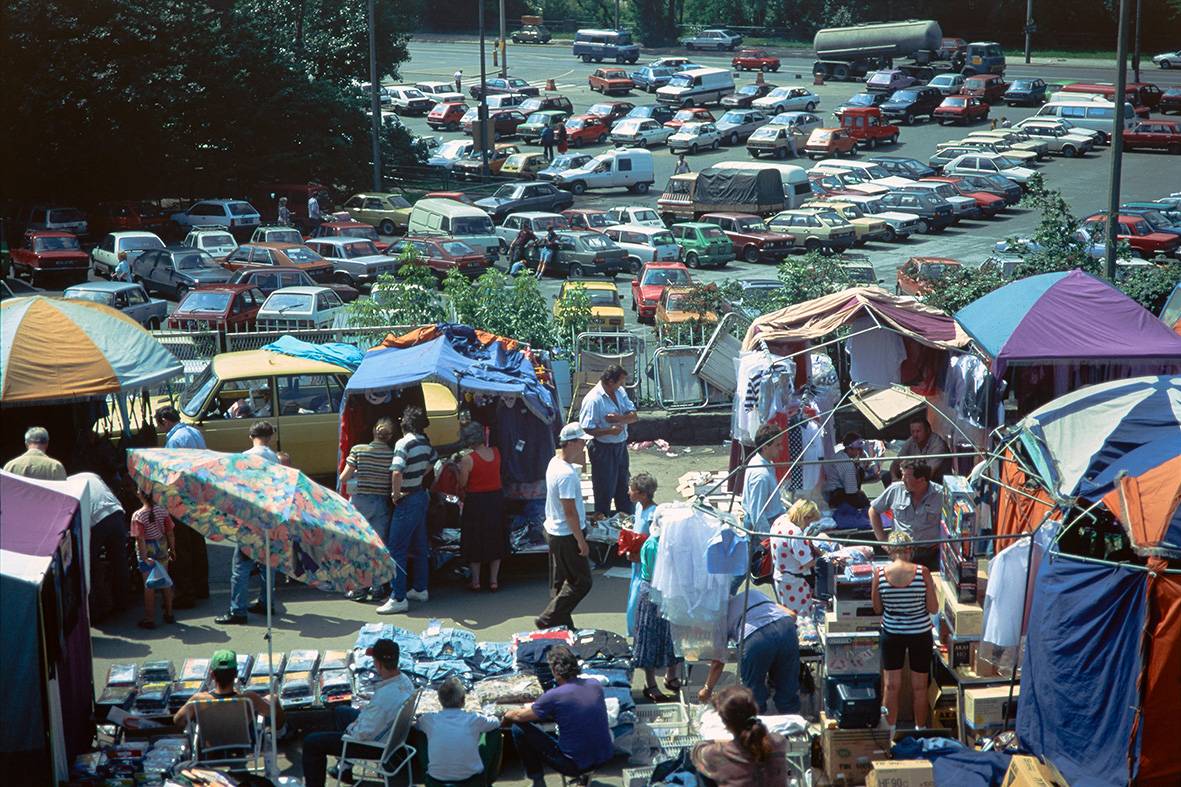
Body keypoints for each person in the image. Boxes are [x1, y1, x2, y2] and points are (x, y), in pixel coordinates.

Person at [301, 639, 414, 787]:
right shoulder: (405, 681)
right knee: (341, 712)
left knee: (312, 742)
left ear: (378, 664)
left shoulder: (383, 699)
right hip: (391, 736)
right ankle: (344, 768)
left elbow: (361, 734)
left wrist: (350, 728)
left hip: (373, 746)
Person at [503, 645, 614, 787]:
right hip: (604, 756)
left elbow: (519, 716)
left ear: (555, 670)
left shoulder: (554, 696)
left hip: (573, 764)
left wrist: (506, 715)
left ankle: (537, 779)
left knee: (519, 729)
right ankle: (584, 778)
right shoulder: (594, 684)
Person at [871, 530, 938, 728]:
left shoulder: (880, 574)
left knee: (891, 686)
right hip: (920, 633)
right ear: (910, 550)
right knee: (919, 687)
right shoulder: (922, 572)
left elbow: (877, 608)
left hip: (892, 633)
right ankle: (920, 729)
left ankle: (889, 733)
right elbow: (933, 608)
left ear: (891, 551)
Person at [216, 422, 280, 625]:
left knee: (241, 567)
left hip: (249, 517)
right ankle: (266, 602)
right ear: (270, 437)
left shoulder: (245, 457)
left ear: (251, 436)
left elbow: (237, 488)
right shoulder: (274, 458)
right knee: (267, 564)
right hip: (268, 515)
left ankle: (238, 610)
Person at [700, 588, 800, 714]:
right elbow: (792, 615)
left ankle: (757, 728)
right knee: (787, 688)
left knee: (754, 695)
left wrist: (707, 688)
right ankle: (793, 728)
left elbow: (718, 661)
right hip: (786, 628)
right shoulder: (753, 593)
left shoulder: (720, 617)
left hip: (756, 639)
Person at [378, 406, 437, 615]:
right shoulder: (424, 442)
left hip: (408, 497)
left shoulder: (403, 443)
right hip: (421, 495)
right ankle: (420, 588)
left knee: (396, 549)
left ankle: (398, 597)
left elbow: (396, 472)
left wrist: (395, 495)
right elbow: (433, 462)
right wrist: (419, 475)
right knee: (420, 546)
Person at [534, 423, 593, 631]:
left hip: (554, 530)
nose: (584, 446)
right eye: (582, 442)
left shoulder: (554, 462)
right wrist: (581, 540)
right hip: (566, 534)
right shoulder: (566, 474)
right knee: (581, 582)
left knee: (560, 582)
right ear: (571, 443)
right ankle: (548, 619)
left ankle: (563, 625)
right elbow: (570, 512)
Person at [630, 477, 682, 703]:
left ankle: (671, 677)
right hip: (653, 595)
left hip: (668, 595)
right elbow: (654, 575)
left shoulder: (671, 543)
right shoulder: (652, 545)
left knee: (674, 638)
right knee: (649, 639)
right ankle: (650, 684)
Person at [153, 406, 207, 606]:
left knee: (181, 546)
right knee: (197, 543)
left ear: (165, 421)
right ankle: (202, 588)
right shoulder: (194, 432)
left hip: (183, 498)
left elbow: (172, 474)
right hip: (199, 495)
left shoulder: (174, 440)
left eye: (160, 425)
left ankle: (186, 594)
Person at [340, 417, 397, 602]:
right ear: (390, 436)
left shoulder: (358, 450)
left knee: (358, 545)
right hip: (381, 502)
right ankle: (378, 586)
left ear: (374, 431)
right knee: (378, 545)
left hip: (359, 502)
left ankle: (359, 588)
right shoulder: (391, 454)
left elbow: (343, 478)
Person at [691, 685, 790, 787]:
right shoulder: (779, 742)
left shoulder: (717, 754)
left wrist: (723, 742)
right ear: (755, 711)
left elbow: (696, 751)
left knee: (702, 773)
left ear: (725, 723)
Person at [414, 677, 501, 787]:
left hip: (436, 779)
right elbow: (496, 722)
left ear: (440, 700)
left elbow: (416, 725)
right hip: (470, 778)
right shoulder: (474, 719)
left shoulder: (429, 720)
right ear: (463, 700)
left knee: (421, 733)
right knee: (494, 731)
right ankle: (488, 779)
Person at [578, 364, 638, 518]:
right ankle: (602, 520)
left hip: (620, 446)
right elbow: (586, 429)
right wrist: (608, 431)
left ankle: (626, 517)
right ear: (610, 381)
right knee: (604, 487)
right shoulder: (593, 400)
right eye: (620, 382)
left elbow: (633, 416)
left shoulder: (620, 392)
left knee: (623, 484)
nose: (622, 385)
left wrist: (619, 418)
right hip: (602, 448)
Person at [174, 648, 284, 729]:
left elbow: (178, 720)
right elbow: (270, 712)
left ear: (212, 675)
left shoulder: (198, 700)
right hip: (240, 745)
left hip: (210, 748)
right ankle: (281, 733)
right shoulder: (249, 699)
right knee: (273, 698)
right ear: (236, 674)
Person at [870, 459, 944, 570]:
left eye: (907, 477)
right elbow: (873, 510)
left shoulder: (941, 495)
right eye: (902, 475)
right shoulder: (895, 489)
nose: (902, 479)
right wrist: (883, 541)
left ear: (921, 480)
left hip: (930, 554)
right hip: (900, 553)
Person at [458, 422, 506, 592]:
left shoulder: (468, 459)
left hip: (476, 501)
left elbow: (463, 483)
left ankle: (476, 581)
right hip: (495, 499)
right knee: (495, 537)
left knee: (475, 539)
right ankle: (494, 580)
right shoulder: (496, 452)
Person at [131, 486, 176, 629]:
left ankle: (149, 618)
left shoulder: (138, 516)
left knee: (149, 585)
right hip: (161, 546)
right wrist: (172, 549)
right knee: (165, 580)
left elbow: (140, 539)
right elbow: (170, 533)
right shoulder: (162, 511)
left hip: (147, 550)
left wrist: (144, 558)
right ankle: (169, 613)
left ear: (140, 495)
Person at [771, 499, 821, 614]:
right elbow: (807, 562)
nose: (808, 525)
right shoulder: (795, 533)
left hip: (780, 577)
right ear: (805, 517)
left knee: (787, 614)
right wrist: (822, 557)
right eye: (809, 522)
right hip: (794, 582)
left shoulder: (780, 520)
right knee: (801, 619)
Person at [624, 472, 658, 636]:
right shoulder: (638, 507)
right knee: (633, 599)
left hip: (645, 565)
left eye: (632, 490)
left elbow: (655, 543)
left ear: (643, 494)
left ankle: (640, 634)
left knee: (636, 603)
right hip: (635, 563)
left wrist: (640, 556)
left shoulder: (653, 514)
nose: (629, 492)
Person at [741, 423, 787, 534]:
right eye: (777, 445)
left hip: (771, 520)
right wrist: (767, 541)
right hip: (764, 526)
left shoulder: (765, 463)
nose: (781, 448)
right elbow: (757, 514)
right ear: (765, 447)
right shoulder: (761, 475)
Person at [887, 415, 950, 483]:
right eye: (913, 432)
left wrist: (907, 481)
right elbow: (896, 463)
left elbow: (929, 473)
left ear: (928, 431)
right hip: (917, 475)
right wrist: (894, 478)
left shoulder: (938, 445)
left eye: (918, 431)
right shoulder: (911, 441)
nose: (915, 435)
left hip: (936, 479)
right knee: (887, 477)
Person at [823, 431, 870, 509]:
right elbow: (851, 492)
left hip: (840, 489)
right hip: (835, 494)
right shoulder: (847, 465)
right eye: (858, 449)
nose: (860, 452)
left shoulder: (841, 454)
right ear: (849, 449)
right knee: (864, 502)